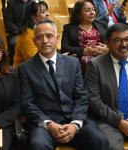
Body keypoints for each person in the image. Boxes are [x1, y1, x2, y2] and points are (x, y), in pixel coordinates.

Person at [19, 19, 109, 150]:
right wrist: (49, 124)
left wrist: (75, 124)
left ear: (57, 38)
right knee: (37, 145)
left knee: (98, 140)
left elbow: (82, 97)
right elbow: (28, 103)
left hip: (74, 120)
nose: (45, 41)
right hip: (44, 125)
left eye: (49, 36)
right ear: (34, 41)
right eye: (39, 37)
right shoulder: (25, 69)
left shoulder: (73, 63)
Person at [85, 23, 128, 150]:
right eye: (117, 40)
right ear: (107, 43)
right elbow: (93, 101)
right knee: (112, 147)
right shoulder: (95, 65)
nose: (124, 44)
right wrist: (119, 121)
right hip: (109, 122)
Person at [13, 1, 49, 68]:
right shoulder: (27, 34)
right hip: (24, 72)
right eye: (42, 12)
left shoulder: (38, 29)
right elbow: (33, 59)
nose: (47, 14)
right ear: (33, 16)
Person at [3, 0, 34, 65]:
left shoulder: (33, 3)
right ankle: (12, 65)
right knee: (13, 43)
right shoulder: (11, 3)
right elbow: (7, 21)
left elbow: (33, 21)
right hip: (15, 33)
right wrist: (17, 31)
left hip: (29, 33)